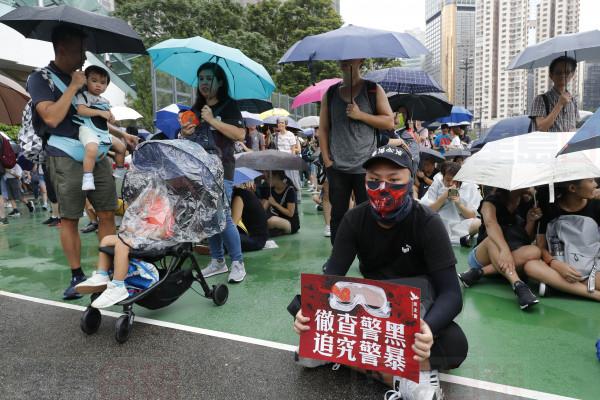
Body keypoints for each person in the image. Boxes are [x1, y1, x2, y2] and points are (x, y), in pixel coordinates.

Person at [292, 146, 467, 399]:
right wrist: (308, 312)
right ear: (364, 182)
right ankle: (403, 375)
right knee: (299, 305)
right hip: (372, 309)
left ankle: (340, 355)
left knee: (455, 344)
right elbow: (330, 278)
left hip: (417, 312)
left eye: (394, 180)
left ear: (410, 180)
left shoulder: (428, 222)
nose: (383, 188)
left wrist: (428, 327)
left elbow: (451, 293)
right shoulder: (354, 220)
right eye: (374, 180)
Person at [27, 25, 139, 299]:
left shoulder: (88, 79)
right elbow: (51, 117)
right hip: (64, 153)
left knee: (106, 212)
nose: (84, 56)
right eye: (80, 50)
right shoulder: (41, 78)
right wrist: (74, 87)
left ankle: (109, 271)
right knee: (69, 218)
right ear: (62, 48)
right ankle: (76, 275)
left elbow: (94, 117)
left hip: (97, 152)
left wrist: (121, 133)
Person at [179, 62, 246, 283]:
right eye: (201, 78)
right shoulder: (195, 109)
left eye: (209, 78)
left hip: (222, 169)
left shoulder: (229, 106)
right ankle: (218, 261)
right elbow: (190, 140)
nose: (204, 83)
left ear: (219, 82)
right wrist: (186, 133)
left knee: (222, 215)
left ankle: (238, 262)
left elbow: (239, 134)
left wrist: (212, 120)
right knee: (208, 217)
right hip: (199, 170)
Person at [319, 59, 395, 244]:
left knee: (369, 215)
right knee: (337, 215)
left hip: (367, 168)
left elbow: (389, 122)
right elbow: (324, 129)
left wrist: (360, 115)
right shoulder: (330, 94)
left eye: (351, 59)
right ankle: (337, 257)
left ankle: (368, 258)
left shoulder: (373, 89)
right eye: (343, 59)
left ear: (360, 60)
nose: (346, 62)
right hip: (337, 167)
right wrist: (327, 160)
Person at [75, 185, 174, 307]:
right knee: (106, 240)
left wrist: (139, 232)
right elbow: (135, 222)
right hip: (139, 237)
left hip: (155, 241)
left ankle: (118, 285)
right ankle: (102, 275)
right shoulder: (144, 204)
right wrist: (132, 228)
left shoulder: (164, 205)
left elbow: (163, 232)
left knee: (123, 244)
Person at [457, 188, 544, 310]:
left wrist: (530, 221)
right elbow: (490, 225)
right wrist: (504, 250)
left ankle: (479, 272)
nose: (532, 187)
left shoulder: (527, 204)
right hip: (483, 255)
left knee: (535, 251)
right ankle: (518, 285)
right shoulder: (490, 202)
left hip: (508, 259)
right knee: (492, 240)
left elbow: (525, 238)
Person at [526, 179, 600, 301]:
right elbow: (540, 246)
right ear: (572, 188)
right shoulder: (547, 208)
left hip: (593, 270)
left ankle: (558, 286)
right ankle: (593, 294)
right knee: (530, 266)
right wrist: (555, 264)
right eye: (590, 181)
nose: (596, 185)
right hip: (559, 269)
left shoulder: (597, 205)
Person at [75, 65, 127, 190]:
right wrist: (99, 113)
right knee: (92, 148)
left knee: (121, 147)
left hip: (102, 131)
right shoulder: (83, 96)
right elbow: (80, 110)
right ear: (86, 81)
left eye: (103, 83)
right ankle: (88, 177)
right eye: (94, 81)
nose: (99, 85)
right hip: (87, 129)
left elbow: (108, 112)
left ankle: (119, 170)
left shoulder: (104, 100)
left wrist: (111, 116)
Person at [420, 162, 481, 246]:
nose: (451, 184)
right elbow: (429, 211)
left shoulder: (469, 186)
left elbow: (472, 215)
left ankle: (459, 238)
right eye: (448, 180)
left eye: (455, 181)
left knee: (478, 223)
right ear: (443, 177)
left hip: (460, 223)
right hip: (439, 222)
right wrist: (444, 196)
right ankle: (460, 240)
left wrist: (459, 204)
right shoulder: (437, 183)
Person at [530, 56, 579, 132]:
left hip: (567, 143)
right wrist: (560, 104)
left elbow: (574, 125)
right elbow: (541, 128)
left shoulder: (573, 100)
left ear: (572, 74)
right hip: (549, 143)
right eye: (558, 72)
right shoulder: (540, 99)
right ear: (551, 75)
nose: (563, 75)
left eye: (567, 72)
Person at [231, 182, 269, 252]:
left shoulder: (238, 196)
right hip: (257, 237)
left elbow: (232, 225)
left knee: (225, 238)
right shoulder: (245, 193)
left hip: (256, 240)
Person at [262, 170, 300, 235]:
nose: (266, 180)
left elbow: (290, 213)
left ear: (276, 177)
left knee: (272, 221)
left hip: (290, 223)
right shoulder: (270, 190)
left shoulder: (290, 190)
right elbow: (262, 210)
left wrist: (275, 204)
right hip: (276, 218)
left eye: (268, 177)